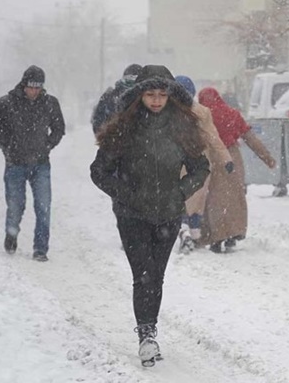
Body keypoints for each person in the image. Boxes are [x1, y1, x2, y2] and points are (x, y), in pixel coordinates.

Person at [90, 65, 210, 367]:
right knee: (142, 274)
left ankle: (149, 329)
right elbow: (99, 171)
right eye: (150, 94)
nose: (156, 100)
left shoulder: (182, 127)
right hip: (132, 215)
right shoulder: (123, 128)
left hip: (168, 214)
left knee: (156, 275)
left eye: (162, 94)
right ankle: (146, 336)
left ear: (170, 95)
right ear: (139, 95)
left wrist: (180, 191)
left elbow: (200, 168)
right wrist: (127, 195)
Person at [0, 65, 65, 262]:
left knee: (43, 207)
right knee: (15, 205)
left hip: (41, 163)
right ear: (24, 85)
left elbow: (58, 128)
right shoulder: (7, 103)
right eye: (31, 87)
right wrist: (7, 146)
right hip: (15, 164)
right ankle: (11, 234)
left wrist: (48, 145)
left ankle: (40, 249)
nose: (34, 91)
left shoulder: (50, 103)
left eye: (38, 87)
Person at [197, 87, 277, 253]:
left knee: (214, 199)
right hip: (232, 158)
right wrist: (266, 157)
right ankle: (234, 232)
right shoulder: (232, 114)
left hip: (210, 158)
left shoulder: (202, 115)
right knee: (234, 196)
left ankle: (216, 236)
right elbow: (250, 138)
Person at [174, 75, 233, 254]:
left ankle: (184, 231)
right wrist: (226, 159)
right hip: (199, 162)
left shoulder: (166, 112)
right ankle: (193, 233)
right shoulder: (202, 112)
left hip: (175, 162)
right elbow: (213, 138)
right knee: (197, 200)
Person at [90, 63, 142, 135]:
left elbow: (97, 123)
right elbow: (98, 122)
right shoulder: (109, 98)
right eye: (129, 81)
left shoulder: (149, 98)